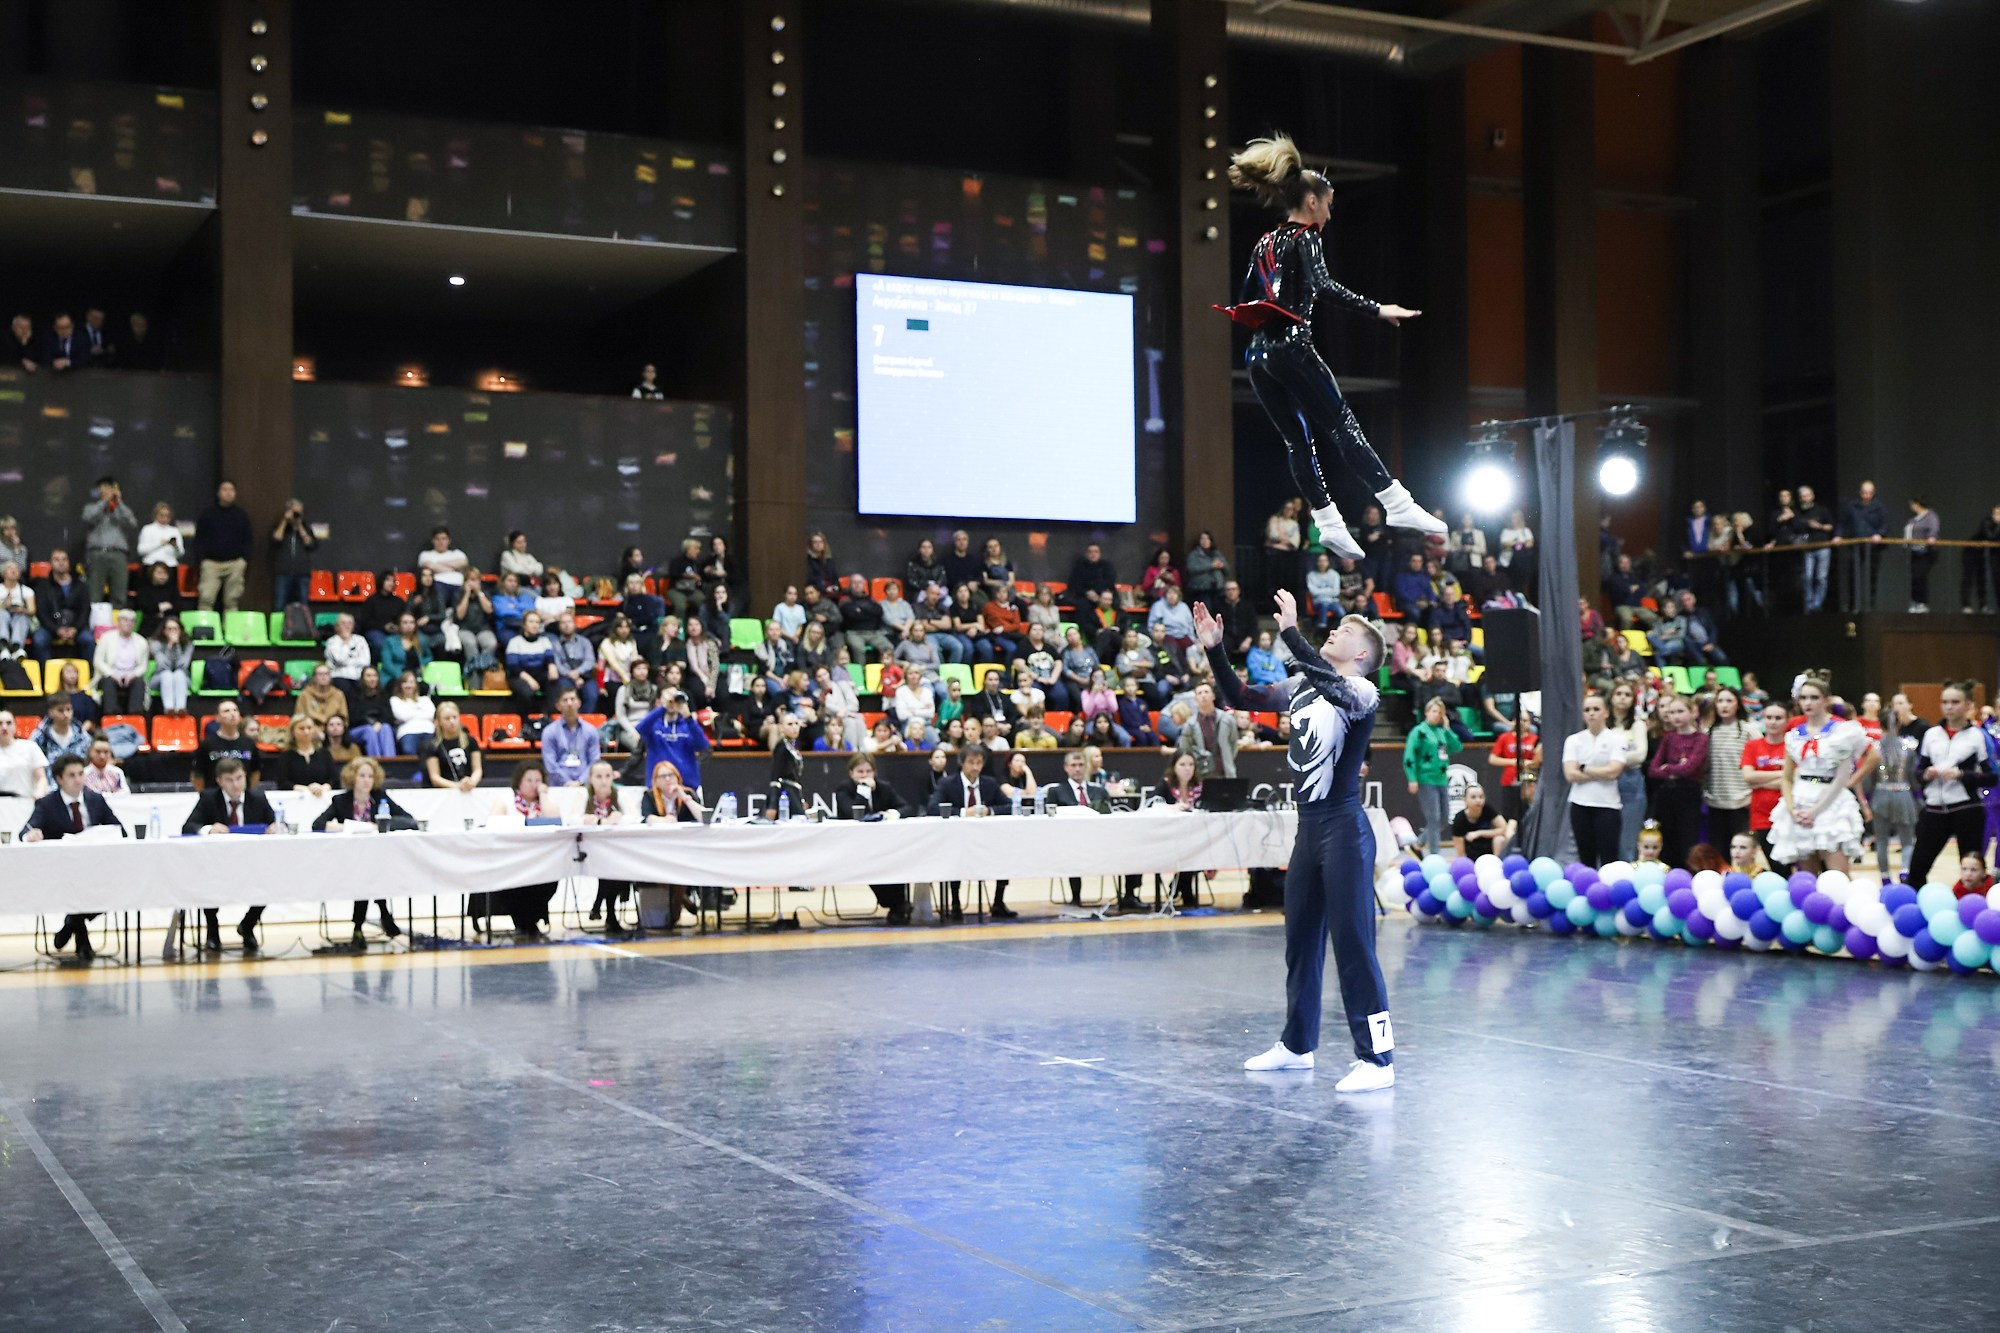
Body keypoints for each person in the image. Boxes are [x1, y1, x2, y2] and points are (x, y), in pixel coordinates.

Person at [1195, 590, 1391, 1089]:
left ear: (1362, 654)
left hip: (1345, 830)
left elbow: (1332, 685)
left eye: (1346, 632)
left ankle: (1378, 1059)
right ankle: (1298, 1044)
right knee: (1300, 941)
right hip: (1310, 829)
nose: (1335, 631)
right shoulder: (1303, 684)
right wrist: (1215, 649)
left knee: (1354, 945)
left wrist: (1290, 633)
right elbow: (1242, 698)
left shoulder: (1362, 692)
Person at [1224, 134, 1436, 561]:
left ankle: (1329, 522)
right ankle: (1395, 502)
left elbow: (1247, 295)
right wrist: (1378, 309)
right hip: (1292, 347)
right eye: (1329, 204)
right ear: (1312, 202)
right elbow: (1322, 285)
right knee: (1343, 426)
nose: (1330, 214)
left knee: (1297, 441)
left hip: (1258, 356)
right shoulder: (1306, 237)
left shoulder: (1265, 241)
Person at [1769, 669, 1874, 875]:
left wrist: (1816, 810)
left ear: (1826, 700)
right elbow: (1787, 778)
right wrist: (1792, 810)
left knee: (1837, 876)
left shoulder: (1843, 731)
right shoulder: (1793, 735)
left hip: (1832, 801)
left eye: (1814, 697)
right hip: (1801, 800)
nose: (1808, 703)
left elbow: (1846, 774)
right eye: (1803, 698)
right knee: (1807, 877)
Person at [21, 753, 123, 960]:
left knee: (119, 885)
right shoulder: (47, 804)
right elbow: (26, 830)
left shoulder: (96, 799)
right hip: (61, 873)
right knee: (76, 887)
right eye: (71, 775)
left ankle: (71, 924)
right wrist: (31, 835)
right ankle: (81, 935)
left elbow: (119, 829)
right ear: (59, 779)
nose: (78, 779)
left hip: (95, 870)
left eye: (80, 774)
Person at [181, 757, 278, 952]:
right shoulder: (209, 798)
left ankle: (247, 926)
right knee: (207, 882)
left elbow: (275, 821)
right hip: (217, 864)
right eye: (229, 780)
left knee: (271, 881)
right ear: (219, 781)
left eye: (239, 778)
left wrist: (275, 827)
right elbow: (188, 827)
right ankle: (212, 931)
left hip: (250, 862)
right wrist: (209, 829)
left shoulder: (258, 798)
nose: (236, 784)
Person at [311, 757, 410, 945]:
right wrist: (348, 827)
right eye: (362, 776)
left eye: (370, 776)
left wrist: (377, 825)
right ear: (352, 777)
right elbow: (317, 824)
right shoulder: (341, 800)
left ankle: (359, 926)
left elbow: (409, 821)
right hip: (347, 859)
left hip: (376, 858)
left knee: (369, 872)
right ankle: (383, 915)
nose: (367, 780)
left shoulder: (380, 798)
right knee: (367, 873)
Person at [1908, 681, 1992, 885]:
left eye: (1955, 702)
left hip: (1967, 809)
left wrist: (1961, 775)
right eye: (1945, 702)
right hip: (1934, 809)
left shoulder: (1978, 736)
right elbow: (1917, 772)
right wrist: (1926, 774)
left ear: (1968, 705)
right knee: (1917, 869)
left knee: (1972, 872)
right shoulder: (1931, 734)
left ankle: (1974, 904)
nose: (1949, 707)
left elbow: (1992, 777)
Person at [927, 746, 1012, 921]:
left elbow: (1009, 806)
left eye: (979, 763)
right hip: (957, 839)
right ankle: (955, 902)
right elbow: (933, 808)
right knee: (954, 856)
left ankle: (998, 902)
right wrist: (964, 812)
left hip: (987, 838)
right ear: (962, 763)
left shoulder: (989, 783)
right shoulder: (947, 783)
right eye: (971, 763)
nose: (975, 767)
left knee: (1005, 851)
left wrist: (989, 810)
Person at [835, 754, 913, 924]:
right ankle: (897, 905)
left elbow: (907, 807)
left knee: (897, 859)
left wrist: (891, 813)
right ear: (851, 773)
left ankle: (899, 906)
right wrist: (864, 790)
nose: (865, 775)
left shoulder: (884, 787)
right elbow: (854, 814)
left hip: (884, 845)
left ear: (874, 772)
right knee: (874, 864)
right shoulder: (844, 789)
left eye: (868, 771)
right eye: (860, 772)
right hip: (854, 846)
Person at [1563, 694, 1628, 869]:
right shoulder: (1573, 740)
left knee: (1609, 858)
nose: (1591, 713)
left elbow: (1614, 771)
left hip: (1608, 805)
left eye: (1596, 709)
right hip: (1580, 804)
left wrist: (1583, 768)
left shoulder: (1617, 739)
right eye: (1587, 710)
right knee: (1586, 858)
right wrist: (1601, 772)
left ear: (1606, 712)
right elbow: (1570, 775)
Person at [1646, 695, 1709, 868]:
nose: (1676, 716)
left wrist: (1667, 768)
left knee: (1687, 839)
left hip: (1689, 794)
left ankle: (1687, 874)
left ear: (1692, 712)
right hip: (1667, 795)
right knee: (1667, 838)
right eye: (1672, 713)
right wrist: (1675, 769)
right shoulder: (1669, 738)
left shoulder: (1700, 738)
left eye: (1680, 711)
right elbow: (1653, 769)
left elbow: (1690, 768)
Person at [577, 760, 635, 935]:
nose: (604, 781)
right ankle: (608, 914)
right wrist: (593, 821)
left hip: (617, 849)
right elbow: (572, 819)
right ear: (590, 778)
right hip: (588, 850)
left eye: (608, 776)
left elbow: (634, 818)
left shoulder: (621, 795)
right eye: (599, 777)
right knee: (611, 866)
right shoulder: (583, 795)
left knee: (615, 865)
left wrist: (618, 819)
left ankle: (601, 907)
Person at [1402, 697, 1461, 855]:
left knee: (1444, 819)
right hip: (1426, 779)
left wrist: (1448, 729)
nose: (1436, 715)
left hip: (1441, 779)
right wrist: (1412, 778)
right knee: (1433, 818)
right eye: (1434, 711)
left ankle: (1418, 843)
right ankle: (1435, 854)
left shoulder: (1441, 732)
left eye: (1440, 713)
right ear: (1426, 712)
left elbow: (1457, 747)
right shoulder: (1419, 732)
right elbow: (1409, 756)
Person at [1740, 701, 1792, 877]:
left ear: (1787, 720)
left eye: (1778, 718)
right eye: (1769, 717)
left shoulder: (1792, 746)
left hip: (1789, 814)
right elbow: (1748, 776)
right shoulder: (1753, 746)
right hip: (1762, 816)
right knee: (1776, 868)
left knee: (1790, 867)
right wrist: (1784, 775)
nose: (1773, 722)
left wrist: (1760, 780)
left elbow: (1797, 777)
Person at [1873, 705, 1921, 882]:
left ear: (1880, 723)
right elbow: (1914, 777)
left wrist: (1867, 800)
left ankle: (1885, 878)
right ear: (1899, 724)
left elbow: (1869, 779)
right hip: (1903, 795)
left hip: (1880, 795)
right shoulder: (1908, 747)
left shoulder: (1874, 748)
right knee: (1907, 840)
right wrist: (1919, 797)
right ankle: (1905, 872)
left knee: (1881, 841)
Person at [1704, 686, 1754, 849]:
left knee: (1741, 848)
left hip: (1741, 800)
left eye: (1729, 701)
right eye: (1720, 701)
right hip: (1715, 801)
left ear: (1737, 704)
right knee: (1718, 850)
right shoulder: (1709, 732)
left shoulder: (1748, 730)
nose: (1724, 705)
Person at [192, 480, 251, 612]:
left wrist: (243, 560)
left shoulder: (241, 515)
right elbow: (199, 538)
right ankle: (205, 624)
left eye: (231, 490)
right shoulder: (207, 514)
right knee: (206, 598)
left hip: (235, 564)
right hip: (211, 564)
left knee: (232, 600)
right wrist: (202, 559)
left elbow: (248, 539)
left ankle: (230, 625)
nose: (228, 493)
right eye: (225, 490)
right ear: (219, 493)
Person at [80, 475, 138, 607]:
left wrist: (119, 503)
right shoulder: (91, 507)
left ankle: (117, 618)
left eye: (109, 487)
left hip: (118, 554)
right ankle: (94, 618)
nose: (106, 490)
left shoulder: (121, 510)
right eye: (103, 487)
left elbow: (132, 523)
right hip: (97, 553)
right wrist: (105, 502)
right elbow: (88, 517)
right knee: (94, 593)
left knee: (119, 594)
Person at [32, 548, 93, 661]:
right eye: (57, 560)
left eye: (64, 559)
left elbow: (85, 609)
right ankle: (46, 670)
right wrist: (56, 629)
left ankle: (90, 671)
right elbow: (41, 612)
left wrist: (75, 628)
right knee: (39, 639)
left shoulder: (80, 585)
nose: (61, 563)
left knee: (88, 639)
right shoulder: (44, 586)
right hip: (51, 626)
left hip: (76, 626)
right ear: (50, 563)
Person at [192, 699, 260, 791]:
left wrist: (248, 793)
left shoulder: (249, 743)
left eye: (235, 710)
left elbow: (255, 773)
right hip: (214, 796)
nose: (232, 714)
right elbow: (197, 775)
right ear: (217, 718)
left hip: (242, 796)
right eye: (226, 711)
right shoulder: (207, 744)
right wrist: (205, 796)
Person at [90, 610, 149, 714]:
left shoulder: (141, 641)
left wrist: (133, 675)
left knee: (139, 683)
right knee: (108, 682)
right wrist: (112, 674)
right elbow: (98, 661)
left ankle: (135, 715)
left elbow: (143, 666)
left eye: (132, 621)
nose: (129, 623)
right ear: (118, 621)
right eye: (125, 620)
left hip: (131, 676)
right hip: (110, 674)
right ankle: (111, 714)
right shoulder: (106, 638)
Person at [541, 686, 602, 787]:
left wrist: (581, 782)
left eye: (572, 699)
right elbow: (550, 764)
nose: (569, 703)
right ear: (558, 706)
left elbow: (595, 760)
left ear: (579, 703)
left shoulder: (591, 730)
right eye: (565, 700)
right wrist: (566, 782)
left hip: (585, 786)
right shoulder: (549, 732)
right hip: (559, 787)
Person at [420, 701, 483, 793]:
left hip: (469, 789)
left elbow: (477, 769)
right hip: (444, 792)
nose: (452, 721)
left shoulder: (471, 741)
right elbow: (435, 777)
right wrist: (457, 786)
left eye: (455, 717)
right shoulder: (432, 745)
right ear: (438, 722)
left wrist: (471, 782)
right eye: (447, 718)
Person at [266, 714, 336, 795]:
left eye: (309, 728)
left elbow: (334, 779)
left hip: (322, 796)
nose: (306, 732)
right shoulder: (285, 756)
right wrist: (307, 789)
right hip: (295, 798)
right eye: (301, 728)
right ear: (293, 731)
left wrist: (322, 788)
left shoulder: (325, 754)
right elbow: (283, 783)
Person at [270, 498, 317, 610]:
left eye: (299, 512)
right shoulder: (280, 527)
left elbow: (310, 544)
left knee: (303, 605)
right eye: (294, 512)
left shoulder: (306, 528)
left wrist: (300, 526)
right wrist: (285, 521)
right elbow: (276, 539)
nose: (296, 515)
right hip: (283, 572)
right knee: (279, 604)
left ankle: (302, 622)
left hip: (302, 573)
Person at [1450, 783, 1513, 860]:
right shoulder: (1459, 819)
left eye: (1481, 797)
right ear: (1465, 800)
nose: (1478, 800)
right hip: (1471, 854)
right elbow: (1460, 852)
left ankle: (1498, 862)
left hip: (1490, 852)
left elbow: (1504, 828)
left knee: (1500, 839)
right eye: (1473, 797)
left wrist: (1479, 833)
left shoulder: (1488, 809)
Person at [348, 665, 398, 757]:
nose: (372, 679)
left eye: (374, 676)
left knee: (386, 727)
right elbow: (353, 718)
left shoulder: (383, 695)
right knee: (369, 730)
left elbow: (389, 716)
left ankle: (390, 761)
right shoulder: (354, 695)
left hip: (379, 726)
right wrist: (371, 725)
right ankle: (376, 761)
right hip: (359, 729)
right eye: (368, 676)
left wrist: (379, 723)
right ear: (362, 678)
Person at [33, 694, 90, 771]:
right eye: (60, 710)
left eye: (68, 709)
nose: (66, 714)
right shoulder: (39, 736)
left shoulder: (82, 735)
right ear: (50, 712)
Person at [1904, 496, 1940, 613]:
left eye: (1912, 504)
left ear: (1917, 504)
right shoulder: (1913, 519)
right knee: (1914, 577)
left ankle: (1922, 602)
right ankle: (1915, 601)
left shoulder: (1930, 516)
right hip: (1914, 551)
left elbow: (1934, 529)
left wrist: (1931, 537)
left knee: (1921, 575)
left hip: (1925, 552)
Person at [0, 710, 44, 800]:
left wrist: (39, 792)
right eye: (0, 723)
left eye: (8, 723)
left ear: (15, 726)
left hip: (25, 801)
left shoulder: (30, 747)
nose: (4, 727)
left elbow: (41, 778)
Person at [416, 526, 470, 594]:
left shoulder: (457, 553)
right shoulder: (426, 554)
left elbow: (464, 563)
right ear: (433, 541)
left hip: (458, 585)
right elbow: (430, 566)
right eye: (437, 539)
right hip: (438, 586)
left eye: (444, 539)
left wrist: (440, 563)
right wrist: (453, 569)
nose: (441, 542)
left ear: (449, 541)